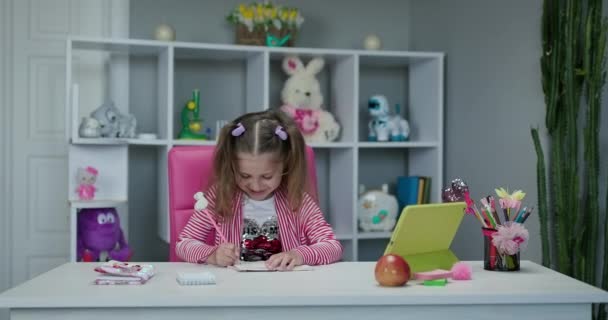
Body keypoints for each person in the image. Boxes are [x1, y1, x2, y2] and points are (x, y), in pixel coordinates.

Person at [176, 109, 343, 270]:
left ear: (286, 165)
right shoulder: (220, 196)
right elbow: (185, 243)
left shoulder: (297, 199)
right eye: (245, 175)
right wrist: (212, 254)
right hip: (233, 287)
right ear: (231, 167)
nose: (255, 186)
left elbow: (332, 246)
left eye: (267, 177)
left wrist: (299, 255)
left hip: (286, 289)